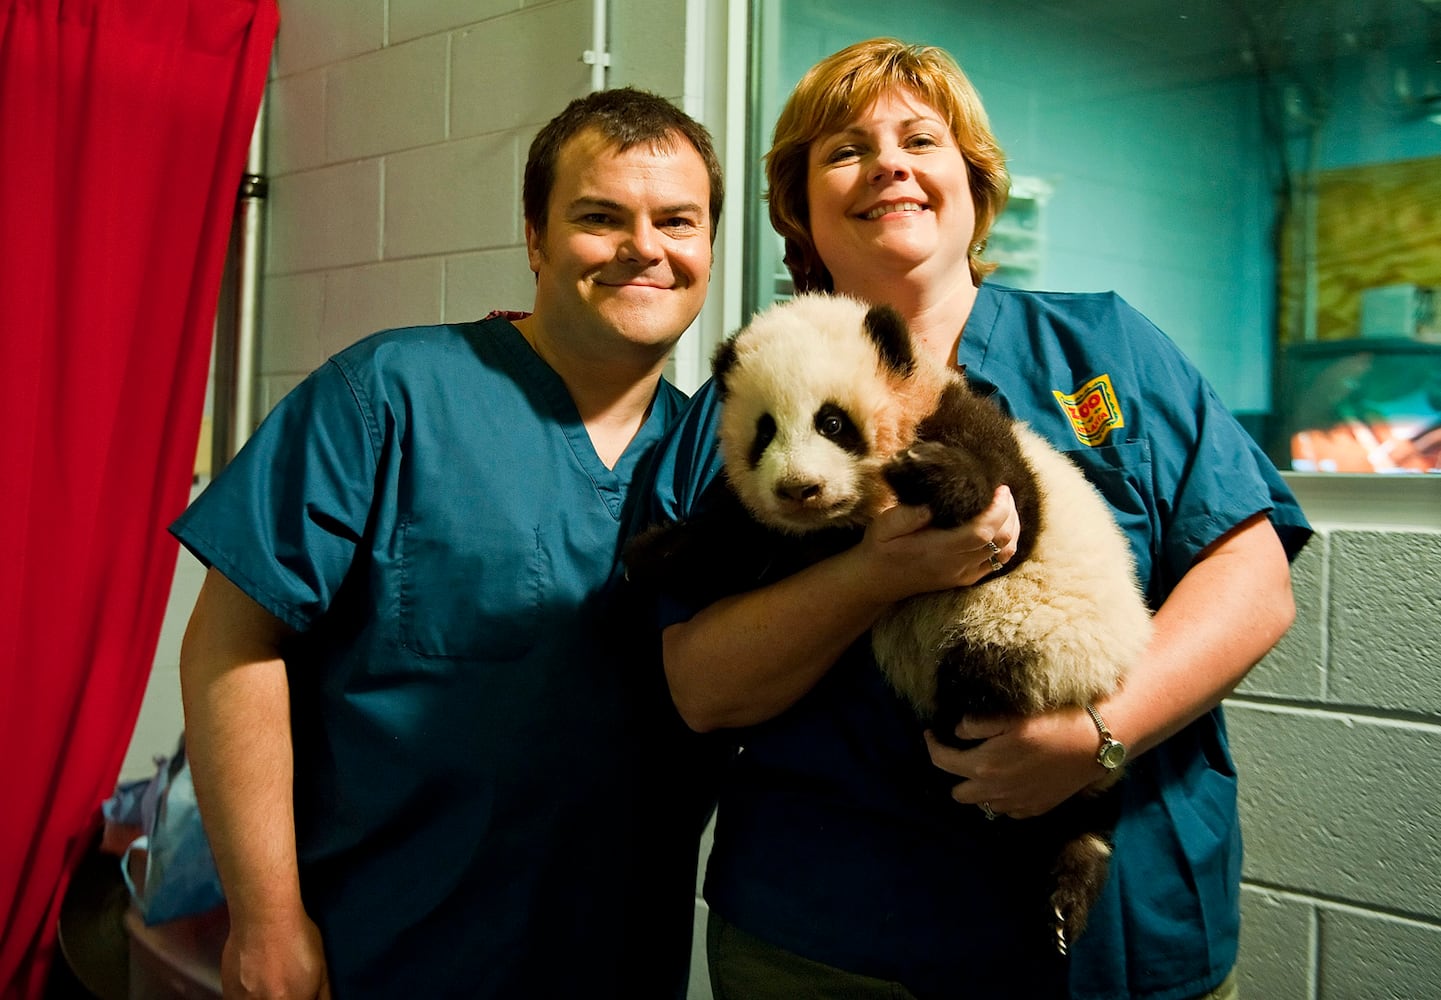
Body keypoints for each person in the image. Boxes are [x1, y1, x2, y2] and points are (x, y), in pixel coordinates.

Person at [637, 39, 1312, 1000]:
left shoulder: (1105, 347)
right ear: (798, 204)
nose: (888, 166)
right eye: (844, 151)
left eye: (921, 139)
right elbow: (699, 688)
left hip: (1111, 937)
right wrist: (877, 572)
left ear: (975, 182)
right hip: (830, 938)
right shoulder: (746, 392)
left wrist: (1094, 738)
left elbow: (1253, 582)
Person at [172, 87, 723, 999]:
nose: (645, 249)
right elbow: (230, 645)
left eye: (677, 221)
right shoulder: (389, 394)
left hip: (618, 957)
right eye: (599, 217)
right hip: (382, 946)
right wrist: (267, 921)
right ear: (536, 239)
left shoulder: (717, 461)